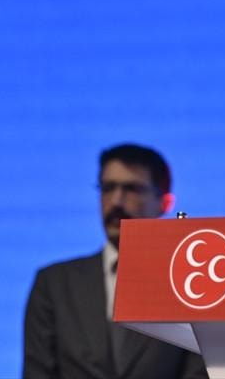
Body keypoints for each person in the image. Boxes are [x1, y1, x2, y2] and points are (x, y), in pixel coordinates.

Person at [23, 143, 208, 379]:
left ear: (164, 203)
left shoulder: (190, 286)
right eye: (108, 188)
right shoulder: (54, 284)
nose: (116, 201)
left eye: (132, 189)